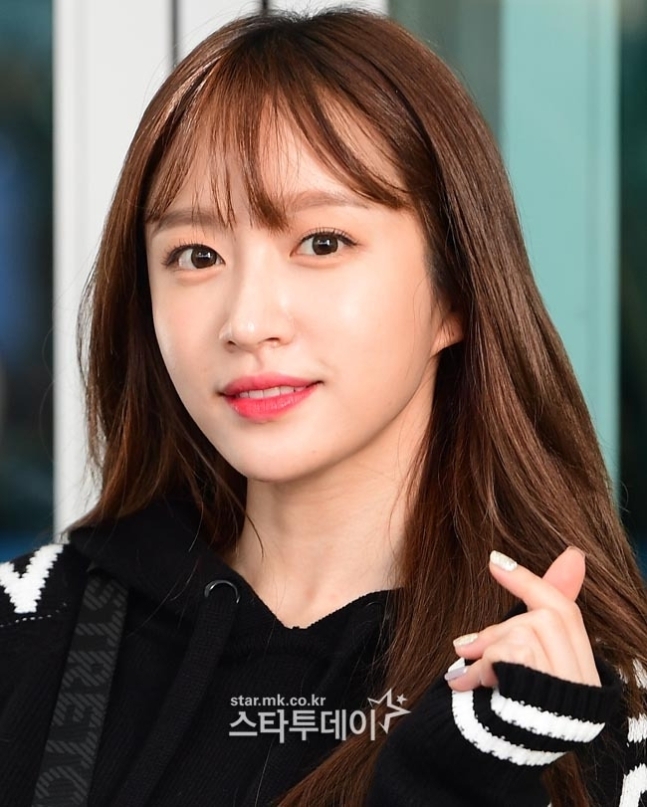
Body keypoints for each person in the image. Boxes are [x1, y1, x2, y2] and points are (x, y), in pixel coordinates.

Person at [1, 8, 646, 807]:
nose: (247, 322)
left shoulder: (581, 702)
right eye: (196, 255)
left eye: (322, 243)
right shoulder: (26, 629)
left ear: (454, 290)